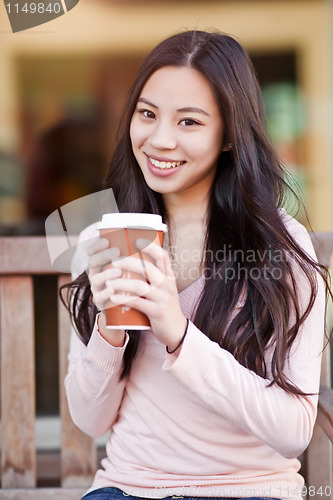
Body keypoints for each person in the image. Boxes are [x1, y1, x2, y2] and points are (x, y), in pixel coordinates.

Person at [62, 30, 331, 500]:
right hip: (129, 489)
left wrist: (179, 335)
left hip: (251, 490)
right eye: (147, 114)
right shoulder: (101, 242)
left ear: (229, 136)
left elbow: (294, 430)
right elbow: (90, 419)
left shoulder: (280, 246)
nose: (160, 140)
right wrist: (108, 331)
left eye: (189, 122)